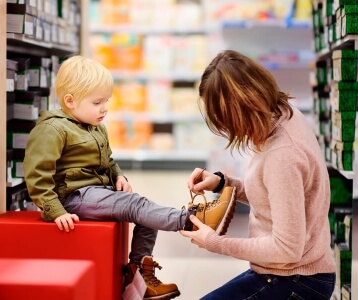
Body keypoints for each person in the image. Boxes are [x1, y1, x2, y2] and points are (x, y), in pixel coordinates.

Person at [23, 55, 236, 300]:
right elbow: (37, 176)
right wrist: (56, 211)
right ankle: (192, 220)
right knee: (135, 205)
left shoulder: (95, 127)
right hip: (72, 198)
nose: (105, 108)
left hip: (96, 193)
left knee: (145, 213)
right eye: (97, 102)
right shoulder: (53, 129)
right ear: (70, 101)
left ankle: (139, 277)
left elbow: (108, 161)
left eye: (107, 101)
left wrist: (118, 177)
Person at [179, 50, 337, 299]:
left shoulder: (282, 154)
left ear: (241, 109)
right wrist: (223, 183)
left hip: (297, 281)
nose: (227, 128)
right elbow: (277, 196)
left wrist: (214, 242)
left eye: (225, 119)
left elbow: (286, 249)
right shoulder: (283, 115)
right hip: (291, 272)